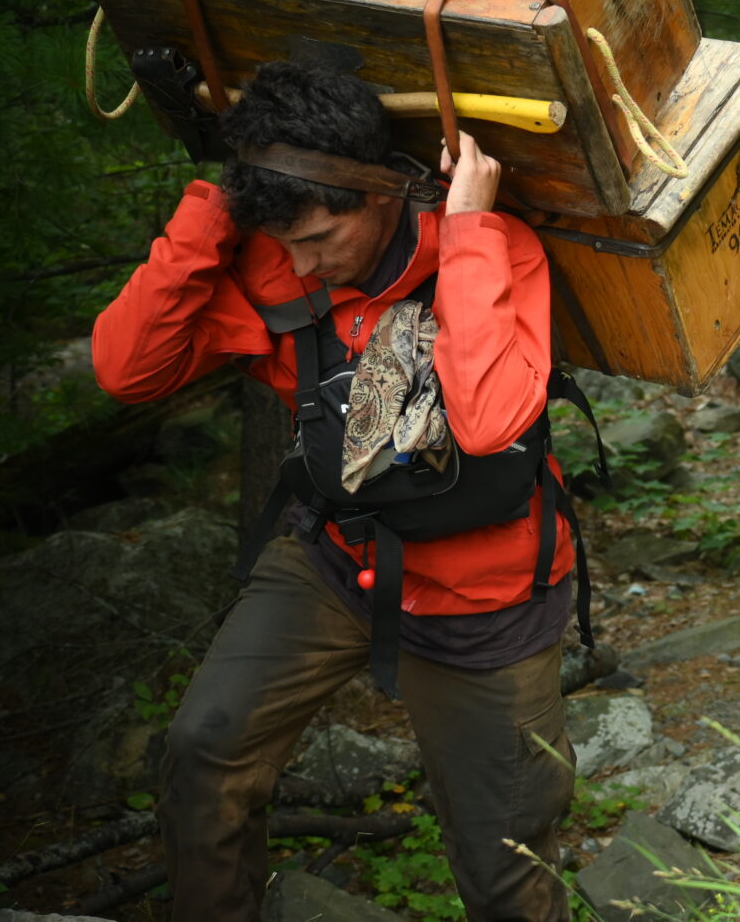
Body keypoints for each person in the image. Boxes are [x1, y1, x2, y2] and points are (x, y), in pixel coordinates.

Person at [92, 61, 576, 922]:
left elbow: (491, 419)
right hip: (335, 554)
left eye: (319, 240)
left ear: (385, 189)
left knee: (501, 860)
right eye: (285, 245)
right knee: (206, 749)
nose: (302, 264)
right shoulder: (274, 257)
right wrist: (211, 208)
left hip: (484, 592)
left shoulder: (491, 250)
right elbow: (128, 369)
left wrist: (467, 233)